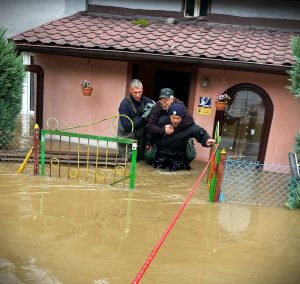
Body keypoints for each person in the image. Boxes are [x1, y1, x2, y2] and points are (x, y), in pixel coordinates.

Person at [151, 103, 215, 171]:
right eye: (173, 117)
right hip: (162, 155)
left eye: (178, 118)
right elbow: (150, 130)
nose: (175, 121)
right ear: (169, 116)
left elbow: (199, 132)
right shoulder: (162, 121)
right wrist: (162, 130)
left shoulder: (188, 124)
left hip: (178, 157)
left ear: (182, 117)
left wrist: (206, 140)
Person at [117, 79, 153, 161]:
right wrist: (143, 118)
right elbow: (127, 126)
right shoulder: (124, 104)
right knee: (129, 162)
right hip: (127, 140)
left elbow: (158, 107)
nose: (138, 95)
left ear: (142, 90)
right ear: (130, 90)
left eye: (140, 92)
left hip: (141, 141)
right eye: (135, 92)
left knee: (142, 161)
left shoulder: (147, 101)